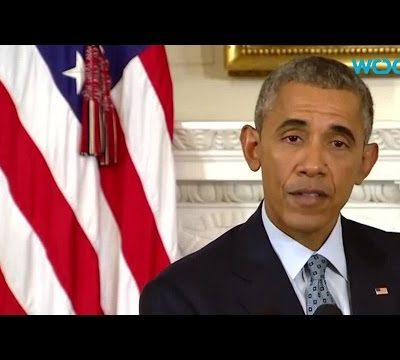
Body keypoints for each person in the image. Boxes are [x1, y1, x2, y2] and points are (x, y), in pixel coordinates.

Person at [139, 56, 400, 315]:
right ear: (253, 148)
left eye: (337, 144)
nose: (313, 165)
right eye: (293, 138)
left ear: (365, 162)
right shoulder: (182, 297)